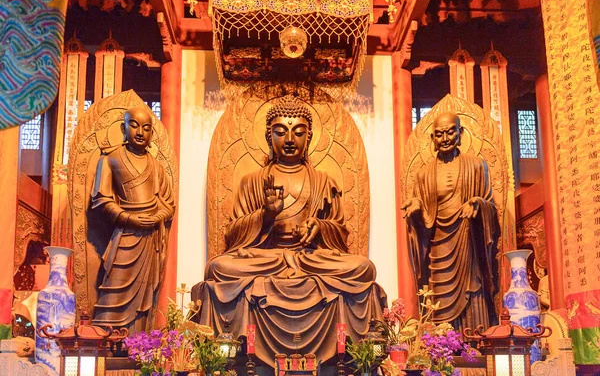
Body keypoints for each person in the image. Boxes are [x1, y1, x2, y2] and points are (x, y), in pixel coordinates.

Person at [193, 95, 385, 365]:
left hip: (310, 259)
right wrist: (266, 215)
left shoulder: (323, 182)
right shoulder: (253, 181)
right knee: (219, 267)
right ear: (269, 136)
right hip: (267, 258)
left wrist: (319, 227)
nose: (290, 139)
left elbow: (341, 235)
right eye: (280, 131)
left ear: (309, 136)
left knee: (362, 267)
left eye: (299, 132)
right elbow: (233, 235)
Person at [402, 111, 499, 330]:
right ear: (432, 140)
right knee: (438, 298)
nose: (445, 139)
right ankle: (440, 350)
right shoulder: (423, 175)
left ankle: (474, 343)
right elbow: (421, 217)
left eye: (450, 132)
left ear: (460, 133)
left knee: (472, 290)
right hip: (437, 246)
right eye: (439, 134)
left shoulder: (476, 165)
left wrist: (477, 204)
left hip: (468, 243)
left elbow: (491, 207)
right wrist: (417, 209)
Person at [90, 106, 175, 333]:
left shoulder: (156, 167)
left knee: (144, 295)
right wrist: (128, 218)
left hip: (150, 239)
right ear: (123, 128)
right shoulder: (110, 160)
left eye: (146, 128)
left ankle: (138, 342)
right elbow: (101, 199)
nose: (139, 132)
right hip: (125, 235)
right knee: (114, 286)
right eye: (134, 125)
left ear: (151, 135)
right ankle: (105, 338)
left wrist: (158, 216)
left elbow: (169, 204)